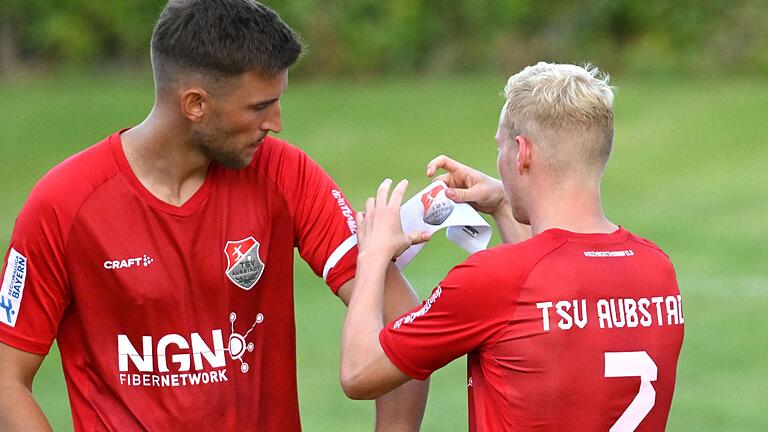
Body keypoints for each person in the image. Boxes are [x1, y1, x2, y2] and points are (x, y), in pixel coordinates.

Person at [0, 1, 428, 430]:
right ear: (195, 104)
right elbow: (7, 378)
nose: (276, 123)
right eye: (259, 107)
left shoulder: (285, 174)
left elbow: (404, 327)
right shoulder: (63, 204)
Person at [340, 62, 684, 431]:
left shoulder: (494, 277)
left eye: (501, 146)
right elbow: (544, 301)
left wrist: (374, 253)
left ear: (522, 152)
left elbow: (360, 372)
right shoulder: (656, 268)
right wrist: (505, 205)